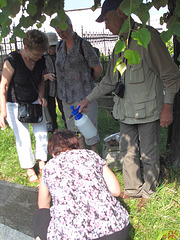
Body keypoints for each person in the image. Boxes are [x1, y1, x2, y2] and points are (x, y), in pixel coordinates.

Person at [78, 0, 180, 209]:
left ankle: (149, 193)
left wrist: (167, 107)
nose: (106, 26)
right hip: (125, 111)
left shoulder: (146, 37)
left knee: (149, 153)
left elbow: (171, 76)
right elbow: (109, 80)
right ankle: (133, 190)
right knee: (127, 152)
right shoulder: (119, 44)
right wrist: (88, 99)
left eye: (107, 20)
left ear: (120, 12)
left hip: (149, 111)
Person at [32, 129, 130, 240]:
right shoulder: (91, 155)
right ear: (76, 145)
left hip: (72, 236)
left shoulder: (49, 168)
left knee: (38, 216)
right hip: (116, 230)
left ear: (52, 152)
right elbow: (116, 191)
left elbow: (43, 206)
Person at [0, 29, 49, 184]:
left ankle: (42, 163)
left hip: (34, 101)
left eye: (41, 54)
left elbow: (41, 80)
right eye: (36, 54)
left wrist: (41, 96)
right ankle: (29, 167)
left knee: (42, 133)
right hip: (15, 104)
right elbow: (3, 86)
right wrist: (2, 111)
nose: (39, 57)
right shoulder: (13, 60)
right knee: (23, 138)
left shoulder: (41, 59)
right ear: (26, 47)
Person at [54, 14, 103, 153]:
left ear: (70, 26)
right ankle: (81, 155)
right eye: (58, 32)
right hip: (66, 96)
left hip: (84, 95)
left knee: (90, 129)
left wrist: (88, 82)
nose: (62, 34)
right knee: (74, 131)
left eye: (63, 31)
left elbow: (98, 68)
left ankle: (95, 156)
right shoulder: (59, 46)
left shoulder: (83, 45)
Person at [44, 32, 67, 132]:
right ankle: (54, 130)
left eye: (53, 47)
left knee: (64, 110)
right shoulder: (42, 58)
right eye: (49, 47)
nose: (51, 50)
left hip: (61, 88)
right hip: (48, 89)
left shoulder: (61, 55)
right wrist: (47, 76)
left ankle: (68, 129)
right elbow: (37, 75)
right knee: (51, 111)